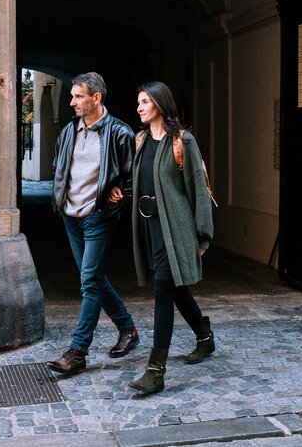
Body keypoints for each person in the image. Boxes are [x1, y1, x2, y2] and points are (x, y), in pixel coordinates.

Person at [46, 72, 139, 377]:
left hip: (98, 215)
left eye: (78, 96)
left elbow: (136, 177)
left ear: (95, 98)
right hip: (70, 215)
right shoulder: (69, 132)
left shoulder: (119, 133)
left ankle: (77, 351)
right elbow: (60, 168)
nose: (72, 102)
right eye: (72, 96)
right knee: (94, 277)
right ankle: (127, 328)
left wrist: (120, 195)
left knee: (88, 281)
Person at [128, 82, 215, 394]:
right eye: (138, 102)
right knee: (176, 289)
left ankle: (155, 371)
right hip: (150, 227)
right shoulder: (140, 141)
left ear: (160, 105)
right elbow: (139, 183)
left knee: (163, 292)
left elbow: (198, 191)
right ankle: (204, 336)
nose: (139, 107)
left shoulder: (183, 141)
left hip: (175, 230)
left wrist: (203, 236)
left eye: (145, 101)